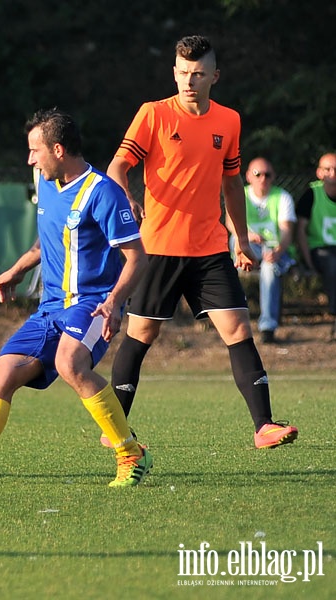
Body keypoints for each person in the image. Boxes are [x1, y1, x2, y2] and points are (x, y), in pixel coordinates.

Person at [0, 108, 152, 488]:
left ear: (58, 149)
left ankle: (130, 454)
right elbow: (48, 240)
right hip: (50, 309)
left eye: (34, 150)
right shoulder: (47, 186)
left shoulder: (102, 193)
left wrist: (114, 301)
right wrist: (17, 270)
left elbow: (137, 257)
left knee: (70, 364)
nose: (29, 159)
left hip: (90, 303)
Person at [106, 35, 298, 450]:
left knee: (238, 329)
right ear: (174, 73)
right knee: (141, 334)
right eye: (182, 73)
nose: (189, 80)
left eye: (197, 73)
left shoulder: (228, 121)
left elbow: (232, 185)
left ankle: (263, 426)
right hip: (158, 247)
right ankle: (116, 428)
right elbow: (117, 167)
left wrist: (241, 241)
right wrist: (128, 201)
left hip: (210, 248)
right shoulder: (153, 114)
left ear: (214, 76)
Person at [235, 157, 296, 344]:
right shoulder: (240, 194)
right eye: (257, 174)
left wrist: (277, 251)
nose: (262, 178)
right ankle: (233, 325)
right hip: (247, 249)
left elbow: (286, 231)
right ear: (248, 176)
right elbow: (230, 222)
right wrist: (247, 237)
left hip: (274, 252)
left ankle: (267, 327)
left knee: (270, 270)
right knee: (233, 240)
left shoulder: (282, 197)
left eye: (267, 174)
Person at [295, 152, 336, 341]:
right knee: (331, 265)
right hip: (320, 250)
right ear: (319, 172)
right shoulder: (311, 194)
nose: (332, 173)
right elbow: (300, 230)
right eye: (328, 169)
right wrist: (308, 261)